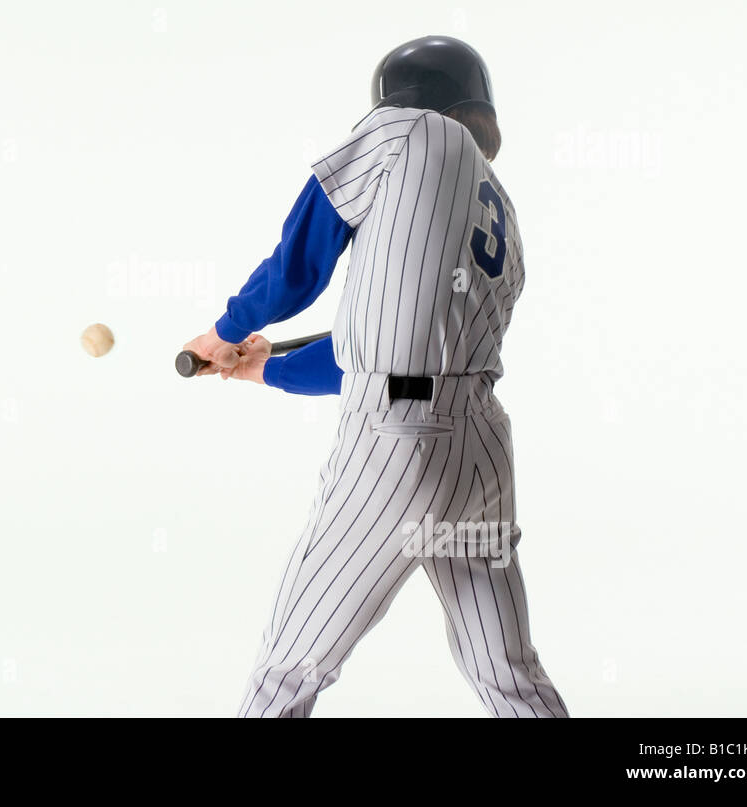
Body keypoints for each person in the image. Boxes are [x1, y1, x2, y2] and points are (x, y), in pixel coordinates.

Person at [183, 35, 568, 718]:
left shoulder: (407, 130)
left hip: (397, 444)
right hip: (478, 456)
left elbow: (299, 264)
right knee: (507, 673)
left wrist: (225, 332)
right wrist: (266, 368)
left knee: (286, 669)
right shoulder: (498, 208)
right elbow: (380, 343)